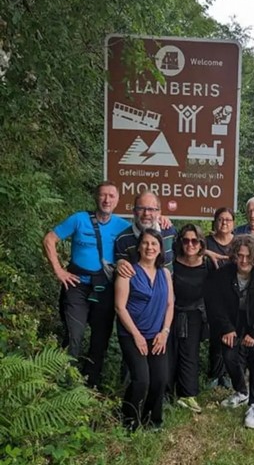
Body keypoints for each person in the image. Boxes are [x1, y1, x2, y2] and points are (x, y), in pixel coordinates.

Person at [43, 182, 129, 388]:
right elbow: (49, 239)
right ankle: (63, 383)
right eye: (103, 195)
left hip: (106, 289)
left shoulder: (123, 226)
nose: (107, 200)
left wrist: (162, 220)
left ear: (117, 200)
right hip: (77, 285)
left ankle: (91, 385)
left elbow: (149, 238)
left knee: (100, 341)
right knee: (74, 335)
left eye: (111, 196)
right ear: (95, 197)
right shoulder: (79, 219)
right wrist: (58, 270)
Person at [205, 234, 254, 429]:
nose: (243, 261)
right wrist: (227, 329)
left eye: (248, 256)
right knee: (229, 354)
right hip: (232, 322)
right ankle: (241, 391)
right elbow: (215, 305)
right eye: (239, 256)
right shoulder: (222, 275)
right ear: (233, 255)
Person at [114, 229, 174, 430]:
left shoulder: (165, 273)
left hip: (157, 335)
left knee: (160, 380)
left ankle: (152, 420)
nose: (150, 247)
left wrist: (165, 332)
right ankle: (129, 420)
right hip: (132, 334)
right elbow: (119, 307)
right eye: (146, 243)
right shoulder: (128, 271)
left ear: (160, 249)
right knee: (141, 380)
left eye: (154, 244)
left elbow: (170, 304)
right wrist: (137, 336)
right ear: (139, 247)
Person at [172, 224, 213, 413]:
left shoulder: (207, 263)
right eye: (186, 240)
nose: (190, 244)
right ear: (180, 242)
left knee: (190, 354)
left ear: (201, 243)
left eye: (195, 240)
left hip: (195, 314)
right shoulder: (171, 261)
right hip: (171, 312)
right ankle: (168, 391)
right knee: (170, 353)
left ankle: (188, 395)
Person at [205, 207, 236, 389]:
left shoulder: (238, 243)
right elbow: (186, 251)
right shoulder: (206, 242)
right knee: (215, 336)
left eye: (228, 220)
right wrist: (206, 253)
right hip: (211, 296)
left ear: (233, 223)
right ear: (215, 222)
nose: (224, 223)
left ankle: (229, 374)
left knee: (232, 336)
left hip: (234, 297)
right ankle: (215, 374)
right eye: (220, 219)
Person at [115, 192, 176, 274]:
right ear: (134, 211)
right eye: (141, 209)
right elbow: (122, 274)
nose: (146, 213)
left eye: (151, 209)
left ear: (159, 212)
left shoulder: (169, 231)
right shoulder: (123, 239)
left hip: (168, 285)